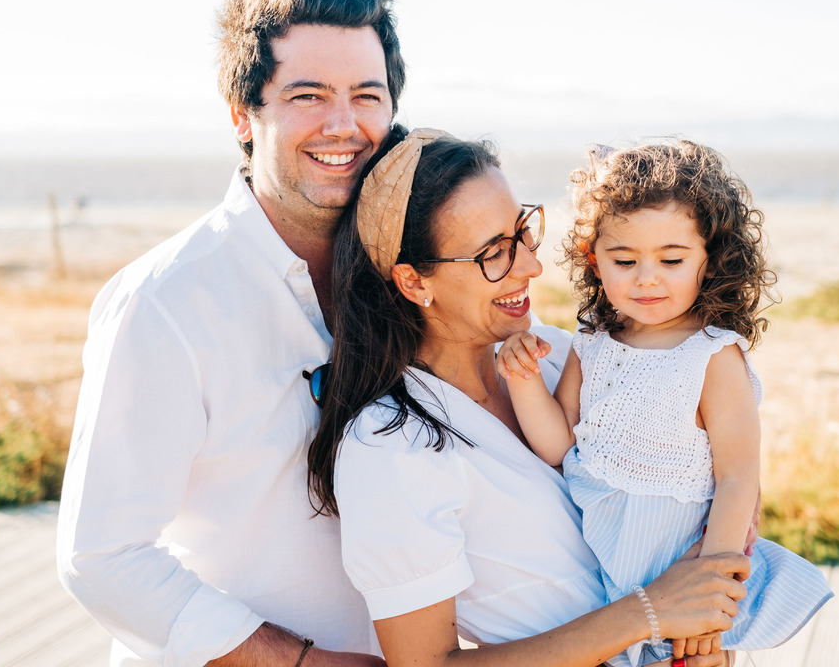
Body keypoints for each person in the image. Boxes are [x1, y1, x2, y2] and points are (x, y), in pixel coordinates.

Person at [56, 0, 406, 666]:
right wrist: (302, 663)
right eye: (308, 95)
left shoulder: (406, 278)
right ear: (243, 113)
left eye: (366, 94)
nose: (345, 124)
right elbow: (102, 557)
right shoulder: (167, 301)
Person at [308, 130, 753, 667]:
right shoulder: (390, 447)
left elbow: (718, 473)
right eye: (494, 253)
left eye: (521, 234)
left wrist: (710, 617)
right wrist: (651, 614)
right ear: (412, 280)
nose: (531, 267)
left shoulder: (559, 355)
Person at [494, 141, 834, 667]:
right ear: (595, 261)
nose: (647, 277)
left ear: (709, 259)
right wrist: (522, 378)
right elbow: (560, 443)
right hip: (606, 563)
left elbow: (740, 477)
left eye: (672, 260)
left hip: (683, 565)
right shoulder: (593, 342)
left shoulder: (712, 357)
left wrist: (713, 591)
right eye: (624, 260)